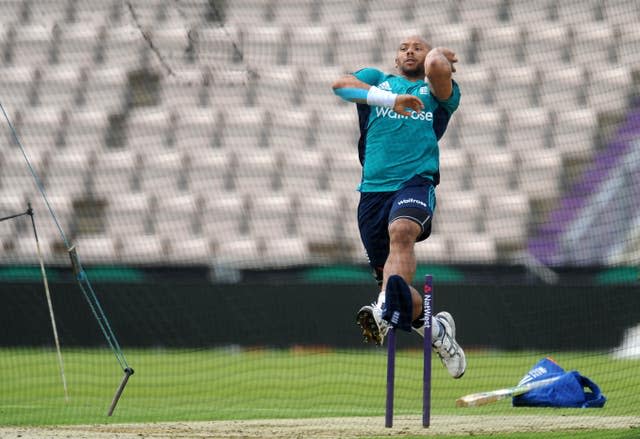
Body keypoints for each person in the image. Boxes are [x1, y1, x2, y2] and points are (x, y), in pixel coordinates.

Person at [331, 35, 466, 378]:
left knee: (402, 230)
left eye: (417, 47)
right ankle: (436, 331)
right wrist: (391, 100)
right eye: (404, 48)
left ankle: (382, 311)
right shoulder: (378, 81)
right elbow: (341, 85)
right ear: (395, 59)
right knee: (397, 294)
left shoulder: (438, 94)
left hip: (415, 183)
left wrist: (436, 57)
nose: (410, 51)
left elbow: (437, 68)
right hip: (372, 193)